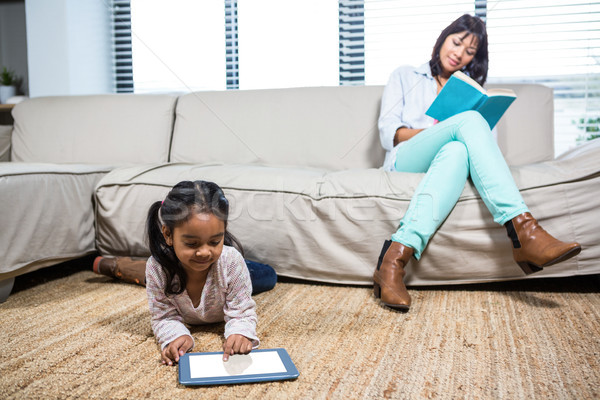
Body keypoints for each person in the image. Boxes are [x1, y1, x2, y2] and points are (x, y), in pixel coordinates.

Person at [374, 14, 581, 312]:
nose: (459, 53)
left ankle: (393, 262)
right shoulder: (406, 75)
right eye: (456, 42)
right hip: (407, 156)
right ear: (443, 39)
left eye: (469, 51)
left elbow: (484, 152)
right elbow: (389, 134)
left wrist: (459, 128)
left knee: (459, 149)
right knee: (468, 122)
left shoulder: (470, 89)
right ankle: (525, 232)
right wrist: (447, 126)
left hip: (450, 158)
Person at [94, 180, 277, 365]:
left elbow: (242, 312)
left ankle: (124, 266)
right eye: (192, 244)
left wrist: (240, 332)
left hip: (234, 269)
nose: (204, 252)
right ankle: (120, 266)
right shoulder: (158, 269)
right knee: (154, 270)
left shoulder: (231, 262)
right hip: (171, 264)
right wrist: (176, 335)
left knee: (270, 276)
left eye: (214, 241)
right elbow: (164, 316)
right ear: (167, 235)